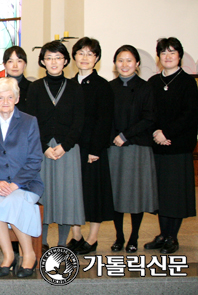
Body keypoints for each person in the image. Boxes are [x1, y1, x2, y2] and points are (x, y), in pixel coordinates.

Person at [0, 77, 43, 278]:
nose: (5, 101)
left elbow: (35, 159)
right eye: (0, 97)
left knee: (12, 201)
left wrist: (15, 184)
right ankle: (8, 255)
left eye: (10, 97)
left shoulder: (30, 122)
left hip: (25, 183)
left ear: (17, 98)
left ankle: (29, 254)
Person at [26, 41, 85, 250]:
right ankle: (41, 242)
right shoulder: (35, 87)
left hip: (67, 150)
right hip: (41, 150)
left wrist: (64, 145)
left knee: (66, 195)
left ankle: (61, 242)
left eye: (58, 57)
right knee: (42, 194)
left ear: (66, 61)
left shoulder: (75, 87)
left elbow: (80, 121)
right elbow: (30, 121)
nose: (54, 62)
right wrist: (44, 147)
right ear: (42, 61)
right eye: (49, 58)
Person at [145, 37, 198, 254]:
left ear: (179, 56)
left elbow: (190, 115)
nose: (167, 56)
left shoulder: (187, 82)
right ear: (158, 57)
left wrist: (167, 133)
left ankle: (172, 236)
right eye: (163, 53)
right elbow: (147, 112)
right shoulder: (153, 83)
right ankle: (162, 234)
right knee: (161, 194)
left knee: (175, 195)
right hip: (157, 146)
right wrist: (156, 132)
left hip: (178, 146)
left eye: (172, 52)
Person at [109, 45, 158, 253]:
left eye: (129, 60)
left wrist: (125, 135)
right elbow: (104, 118)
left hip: (137, 148)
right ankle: (119, 236)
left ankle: (133, 237)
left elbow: (149, 117)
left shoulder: (146, 88)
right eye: (120, 60)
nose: (125, 64)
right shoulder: (108, 87)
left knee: (136, 195)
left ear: (137, 64)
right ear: (115, 64)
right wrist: (113, 137)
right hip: (113, 149)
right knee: (115, 195)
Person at [68, 37, 115, 254]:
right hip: (71, 148)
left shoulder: (102, 86)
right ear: (74, 57)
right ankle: (76, 236)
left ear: (96, 58)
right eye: (81, 53)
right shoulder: (69, 84)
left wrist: (95, 150)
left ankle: (93, 238)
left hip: (92, 149)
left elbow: (105, 121)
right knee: (75, 193)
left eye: (90, 54)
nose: (85, 58)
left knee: (94, 194)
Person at [3, 46, 31, 113]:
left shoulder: (32, 88)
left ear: (25, 65)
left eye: (19, 61)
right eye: (10, 61)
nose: (15, 66)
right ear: (4, 65)